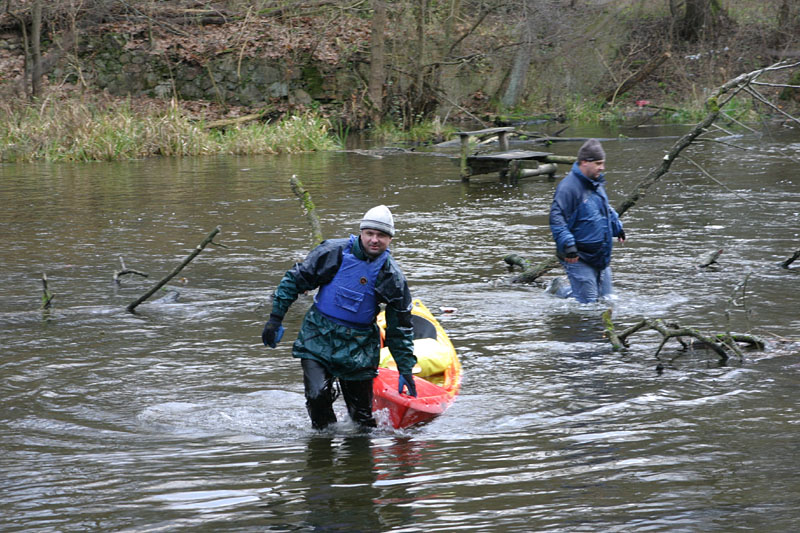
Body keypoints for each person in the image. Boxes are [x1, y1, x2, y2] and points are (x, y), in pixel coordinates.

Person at [261, 205, 417, 430]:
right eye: (370, 233)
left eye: (381, 235)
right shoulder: (332, 252)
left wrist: (405, 368)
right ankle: (323, 443)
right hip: (318, 336)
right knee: (317, 396)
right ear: (361, 232)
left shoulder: (392, 276)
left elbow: (400, 326)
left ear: (390, 239)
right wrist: (275, 320)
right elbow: (293, 281)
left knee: (361, 421)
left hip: (359, 346)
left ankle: (357, 451)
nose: (374, 240)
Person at [549, 138, 626, 303]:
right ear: (584, 162)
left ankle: (561, 290)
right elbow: (557, 219)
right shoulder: (568, 188)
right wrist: (568, 245)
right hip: (578, 255)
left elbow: (606, 210)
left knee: (608, 299)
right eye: (598, 163)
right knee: (589, 304)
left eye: (603, 163)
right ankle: (559, 291)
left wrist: (617, 227)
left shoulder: (596, 183)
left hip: (600, 254)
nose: (602, 167)